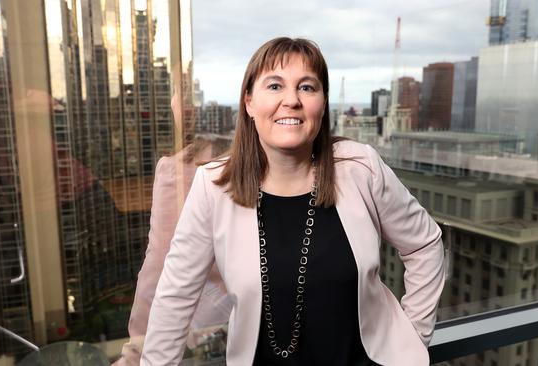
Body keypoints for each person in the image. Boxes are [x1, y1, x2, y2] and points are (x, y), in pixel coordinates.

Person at [141, 37, 445, 366]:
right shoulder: (213, 186)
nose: (291, 100)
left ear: (323, 103)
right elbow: (175, 298)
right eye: (274, 86)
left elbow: (425, 244)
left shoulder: (360, 168)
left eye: (307, 87)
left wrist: (413, 336)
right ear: (249, 102)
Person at [112, 96, 233, 365]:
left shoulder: (179, 169)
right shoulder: (271, 165)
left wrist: (137, 351)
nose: (180, 103)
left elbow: (159, 266)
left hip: (200, 335)